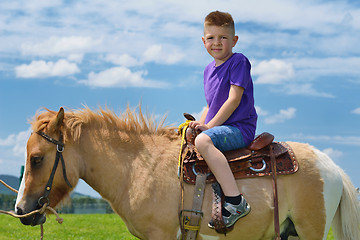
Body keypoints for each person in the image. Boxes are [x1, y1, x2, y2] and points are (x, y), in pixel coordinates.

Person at [189, 10, 257, 228]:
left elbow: (233, 100)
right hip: (218, 126)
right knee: (192, 138)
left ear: (234, 40)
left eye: (223, 38)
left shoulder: (239, 62)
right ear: (203, 41)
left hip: (239, 128)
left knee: (203, 141)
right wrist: (200, 124)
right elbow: (211, 105)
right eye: (211, 38)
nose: (216, 43)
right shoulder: (207, 70)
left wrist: (208, 129)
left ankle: (236, 201)